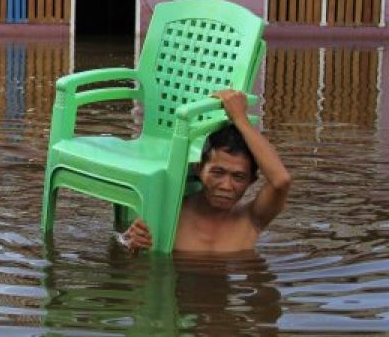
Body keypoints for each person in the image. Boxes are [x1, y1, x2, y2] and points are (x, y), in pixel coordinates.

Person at [123, 89, 291, 254]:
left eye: (238, 177)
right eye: (217, 172)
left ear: (251, 181)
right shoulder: (167, 213)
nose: (226, 186)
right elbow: (131, 256)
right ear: (199, 168)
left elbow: (281, 180)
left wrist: (240, 118)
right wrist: (131, 245)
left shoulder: (251, 219)